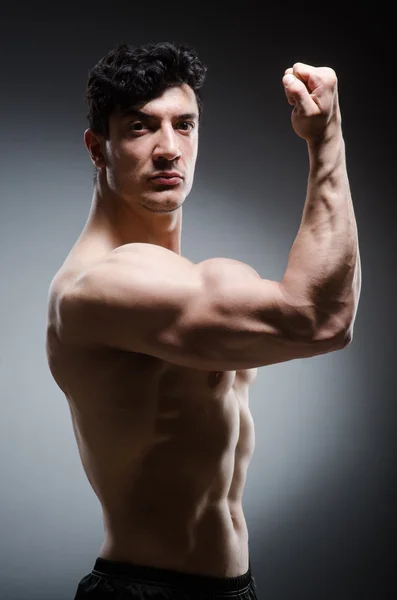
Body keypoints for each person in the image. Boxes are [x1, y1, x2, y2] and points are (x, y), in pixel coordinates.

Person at [46, 41, 361, 600]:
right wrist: (327, 139)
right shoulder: (101, 287)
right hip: (147, 591)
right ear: (99, 148)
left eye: (184, 125)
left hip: (230, 588)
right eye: (141, 128)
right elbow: (321, 319)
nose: (169, 148)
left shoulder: (178, 280)